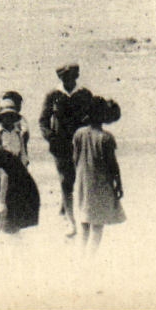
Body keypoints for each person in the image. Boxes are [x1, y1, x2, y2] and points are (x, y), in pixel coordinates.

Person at [38, 62, 94, 236]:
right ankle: (70, 221)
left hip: (82, 145)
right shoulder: (53, 95)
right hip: (60, 146)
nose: (68, 81)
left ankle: (76, 211)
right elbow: (43, 121)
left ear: (76, 77)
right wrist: (51, 138)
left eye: (71, 77)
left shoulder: (84, 94)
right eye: (64, 78)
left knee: (82, 179)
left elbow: (94, 117)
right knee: (65, 181)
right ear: (60, 78)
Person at [71, 97, 124, 249]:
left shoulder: (79, 134)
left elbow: (75, 159)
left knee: (84, 225)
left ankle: (81, 257)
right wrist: (118, 184)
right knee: (97, 226)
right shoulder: (106, 138)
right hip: (100, 184)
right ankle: (91, 259)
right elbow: (112, 165)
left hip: (83, 182)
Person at [0, 93, 31, 164]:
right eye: (6, 116)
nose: (8, 119)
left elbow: (25, 132)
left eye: (11, 116)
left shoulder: (19, 129)